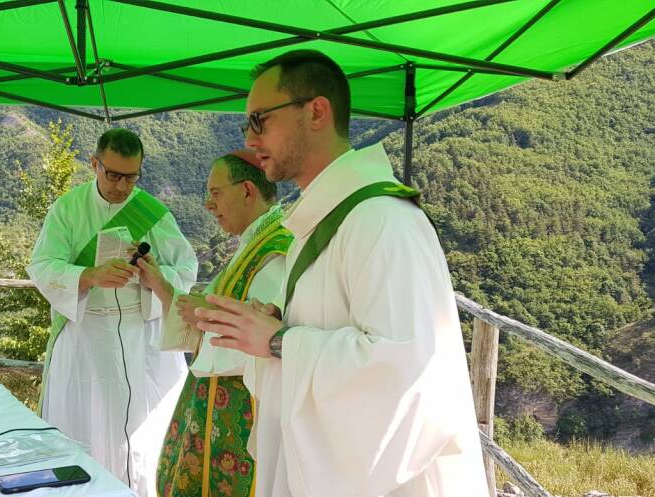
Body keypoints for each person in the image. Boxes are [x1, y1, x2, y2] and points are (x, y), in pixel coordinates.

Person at [194, 50, 488, 497]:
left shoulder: (382, 221)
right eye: (246, 125)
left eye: (260, 120)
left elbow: (403, 370)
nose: (251, 140)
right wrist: (277, 325)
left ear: (316, 112)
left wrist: (277, 341)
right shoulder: (328, 218)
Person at [27, 128, 198, 496]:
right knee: (87, 431)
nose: (122, 186)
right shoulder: (68, 209)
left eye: (131, 177)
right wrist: (89, 275)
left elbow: (186, 269)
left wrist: (155, 276)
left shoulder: (153, 212)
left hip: (143, 339)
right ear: (94, 165)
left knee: (146, 438)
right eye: (114, 175)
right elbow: (42, 265)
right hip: (87, 339)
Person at [136, 150, 292, 497]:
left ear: (248, 191)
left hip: (244, 410)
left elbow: (266, 342)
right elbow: (212, 312)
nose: (208, 204)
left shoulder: (276, 250)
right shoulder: (255, 242)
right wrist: (161, 284)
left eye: (216, 193)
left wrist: (203, 319)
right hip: (215, 401)